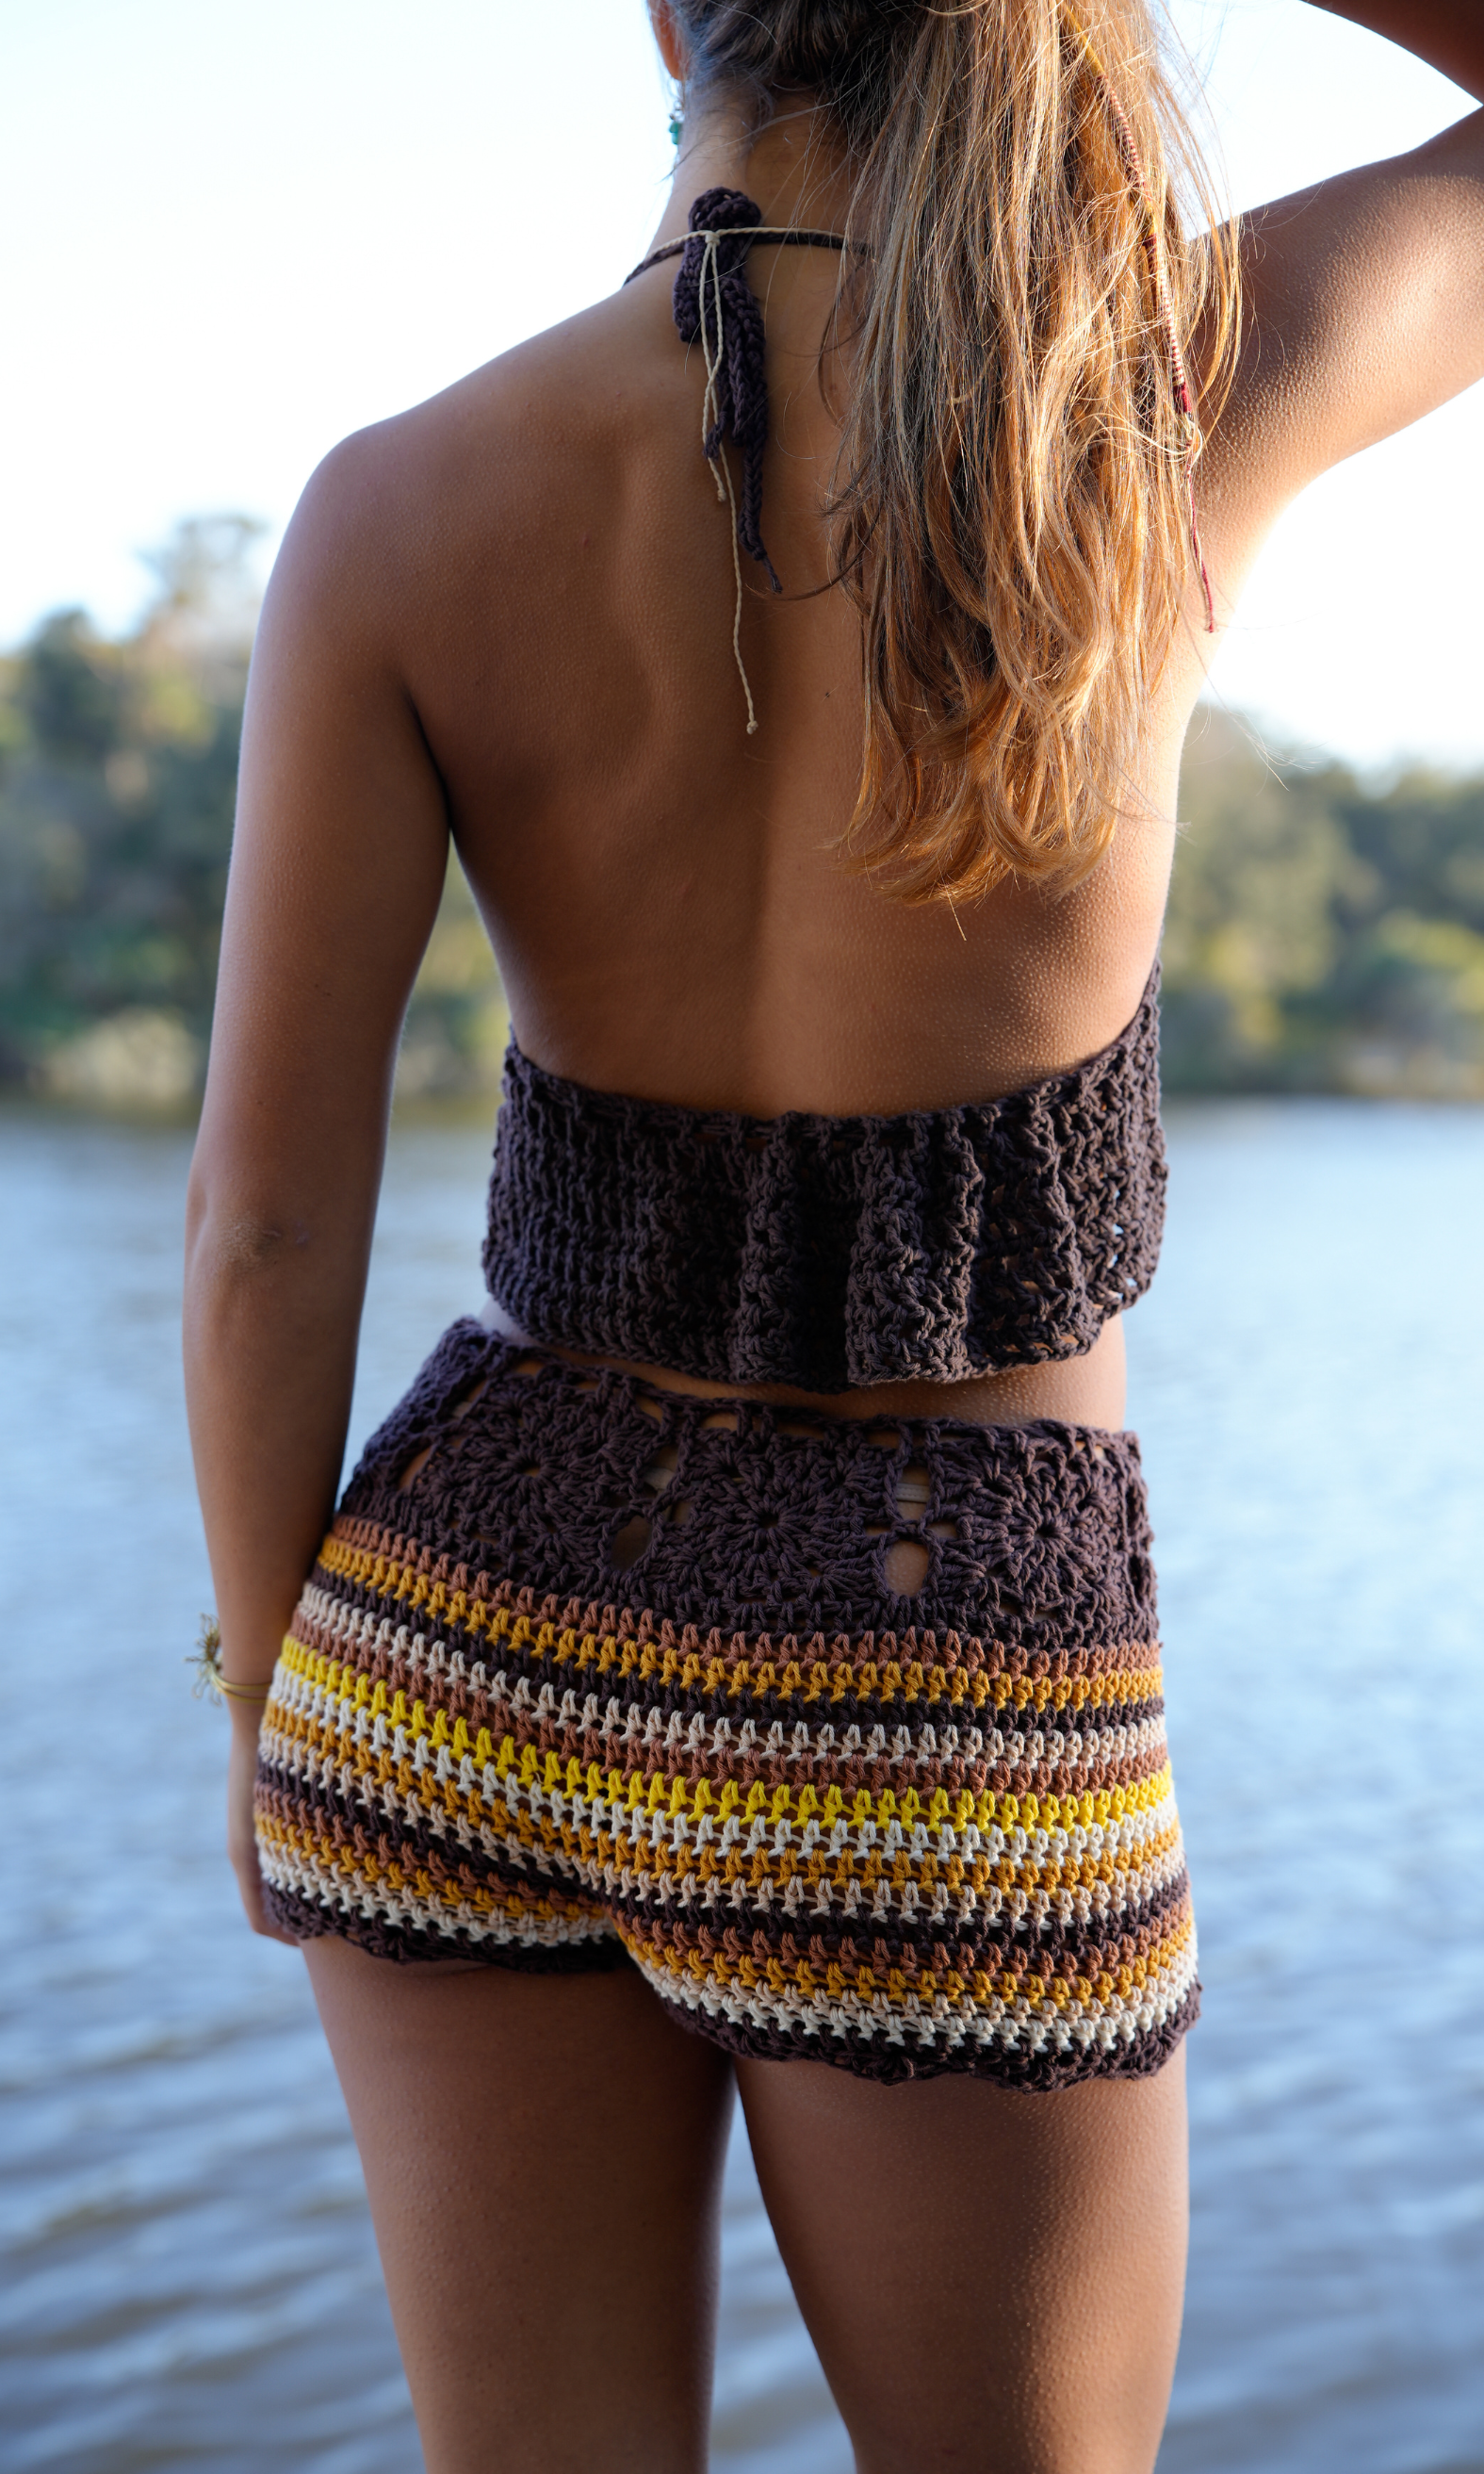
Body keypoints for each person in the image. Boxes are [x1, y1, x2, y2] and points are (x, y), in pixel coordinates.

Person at [183, 3, 1484, 2466]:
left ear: (666, 18)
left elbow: (262, 1223)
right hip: (935, 1689)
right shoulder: (1149, 397)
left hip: (453, 1645)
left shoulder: (402, 495)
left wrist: (267, 1706)